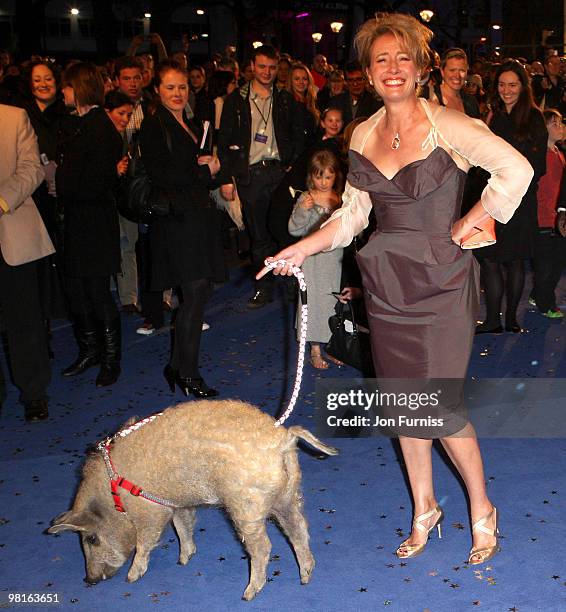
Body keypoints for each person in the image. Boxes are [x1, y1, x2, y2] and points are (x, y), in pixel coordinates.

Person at [259, 13, 533, 565]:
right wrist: (302, 247)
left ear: (420, 66)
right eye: (380, 59)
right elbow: (352, 216)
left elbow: (517, 169)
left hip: (442, 280)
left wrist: (474, 217)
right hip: (387, 286)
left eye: (402, 58)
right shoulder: (362, 134)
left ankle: (482, 508)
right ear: (367, 70)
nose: (391, 68)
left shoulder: (447, 124)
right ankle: (425, 509)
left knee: (440, 407)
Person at [139, 60, 225, 397]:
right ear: (157, 90)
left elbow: (187, 166)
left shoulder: (187, 121)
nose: (177, 93)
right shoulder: (154, 125)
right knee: (194, 293)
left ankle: (178, 366)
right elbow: (165, 177)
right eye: (170, 87)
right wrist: (205, 171)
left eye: (182, 87)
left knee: (198, 294)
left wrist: (207, 165)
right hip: (177, 224)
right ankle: (188, 373)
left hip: (195, 219)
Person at [217, 44, 306, 308]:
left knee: (287, 230)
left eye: (272, 67)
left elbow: (298, 132)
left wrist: (293, 164)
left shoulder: (285, 98)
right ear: (252, 68)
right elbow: (224, 142)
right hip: (251, 174)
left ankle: (291, 284)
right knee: (258, 235)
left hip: (280, 172)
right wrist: (225, 178)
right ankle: (264, 286)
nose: (267, 72)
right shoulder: (236, 100)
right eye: (262, 67)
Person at [56, 62, 123, 387]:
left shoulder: (99, 128)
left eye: (66, 87)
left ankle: (111, 358)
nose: (62, 92)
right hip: (78, 221)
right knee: (78, 290)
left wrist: (64, 184)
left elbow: (94, 183)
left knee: (97, 291)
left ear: (79, 88)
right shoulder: (77, 125)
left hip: (94, 223)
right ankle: (90, 351)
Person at [475, 61, 547, 334]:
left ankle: (511, 319)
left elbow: (538, 165)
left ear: (523, 87)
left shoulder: (534, 117)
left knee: (514, 260)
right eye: (502, 84)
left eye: (513, 85)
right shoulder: (493, 115)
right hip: (492, 197)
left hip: (520, 199)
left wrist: (512, 185)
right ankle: (493, 320)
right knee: (490, 259)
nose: (506, 90)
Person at [0, 103, 53, 421]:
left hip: (12, 232)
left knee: (25, 322)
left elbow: (32, 169)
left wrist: (2, 200)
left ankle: (34, 393)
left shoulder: (13, 117)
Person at [288, 150, 344, 369]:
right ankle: (314, 348)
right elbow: (294, 229)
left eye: (328, 177)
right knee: (311, 301)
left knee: (332, 302)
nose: (323, 182)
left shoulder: (340, 199)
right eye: (318, 176)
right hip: (311, 260)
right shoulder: (306, 198)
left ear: (336, 176)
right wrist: (302, 210)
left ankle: (331, 345)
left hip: (334, 259)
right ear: (311, 176)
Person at [530, 108, 566, 318]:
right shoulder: (543, 156)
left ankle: (538, 294)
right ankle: (546, 303)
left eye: (561, 123)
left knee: (555, 261)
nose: (560, 127)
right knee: (547, 264)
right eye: (555, 124)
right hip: (545, 218)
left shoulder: (557, 153)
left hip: (554, 217)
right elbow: (545, 192)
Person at [330, 60, 382, 126]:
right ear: (346, 82)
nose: (355, 84)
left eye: (359, 79)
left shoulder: (375, 103)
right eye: (351, 80)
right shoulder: (336, 102)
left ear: (365, 80)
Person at [433, 48, 480, 118]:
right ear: (442, 72)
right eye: (452, 70)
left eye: (462, 70)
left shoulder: (471, 102)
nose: (457, 76)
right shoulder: (430, 96)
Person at [287, 62, 320, 141]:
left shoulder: (312, 101)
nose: (301, 82)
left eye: (304, 79)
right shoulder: (286, 102)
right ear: (291, 81)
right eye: (297, 79)